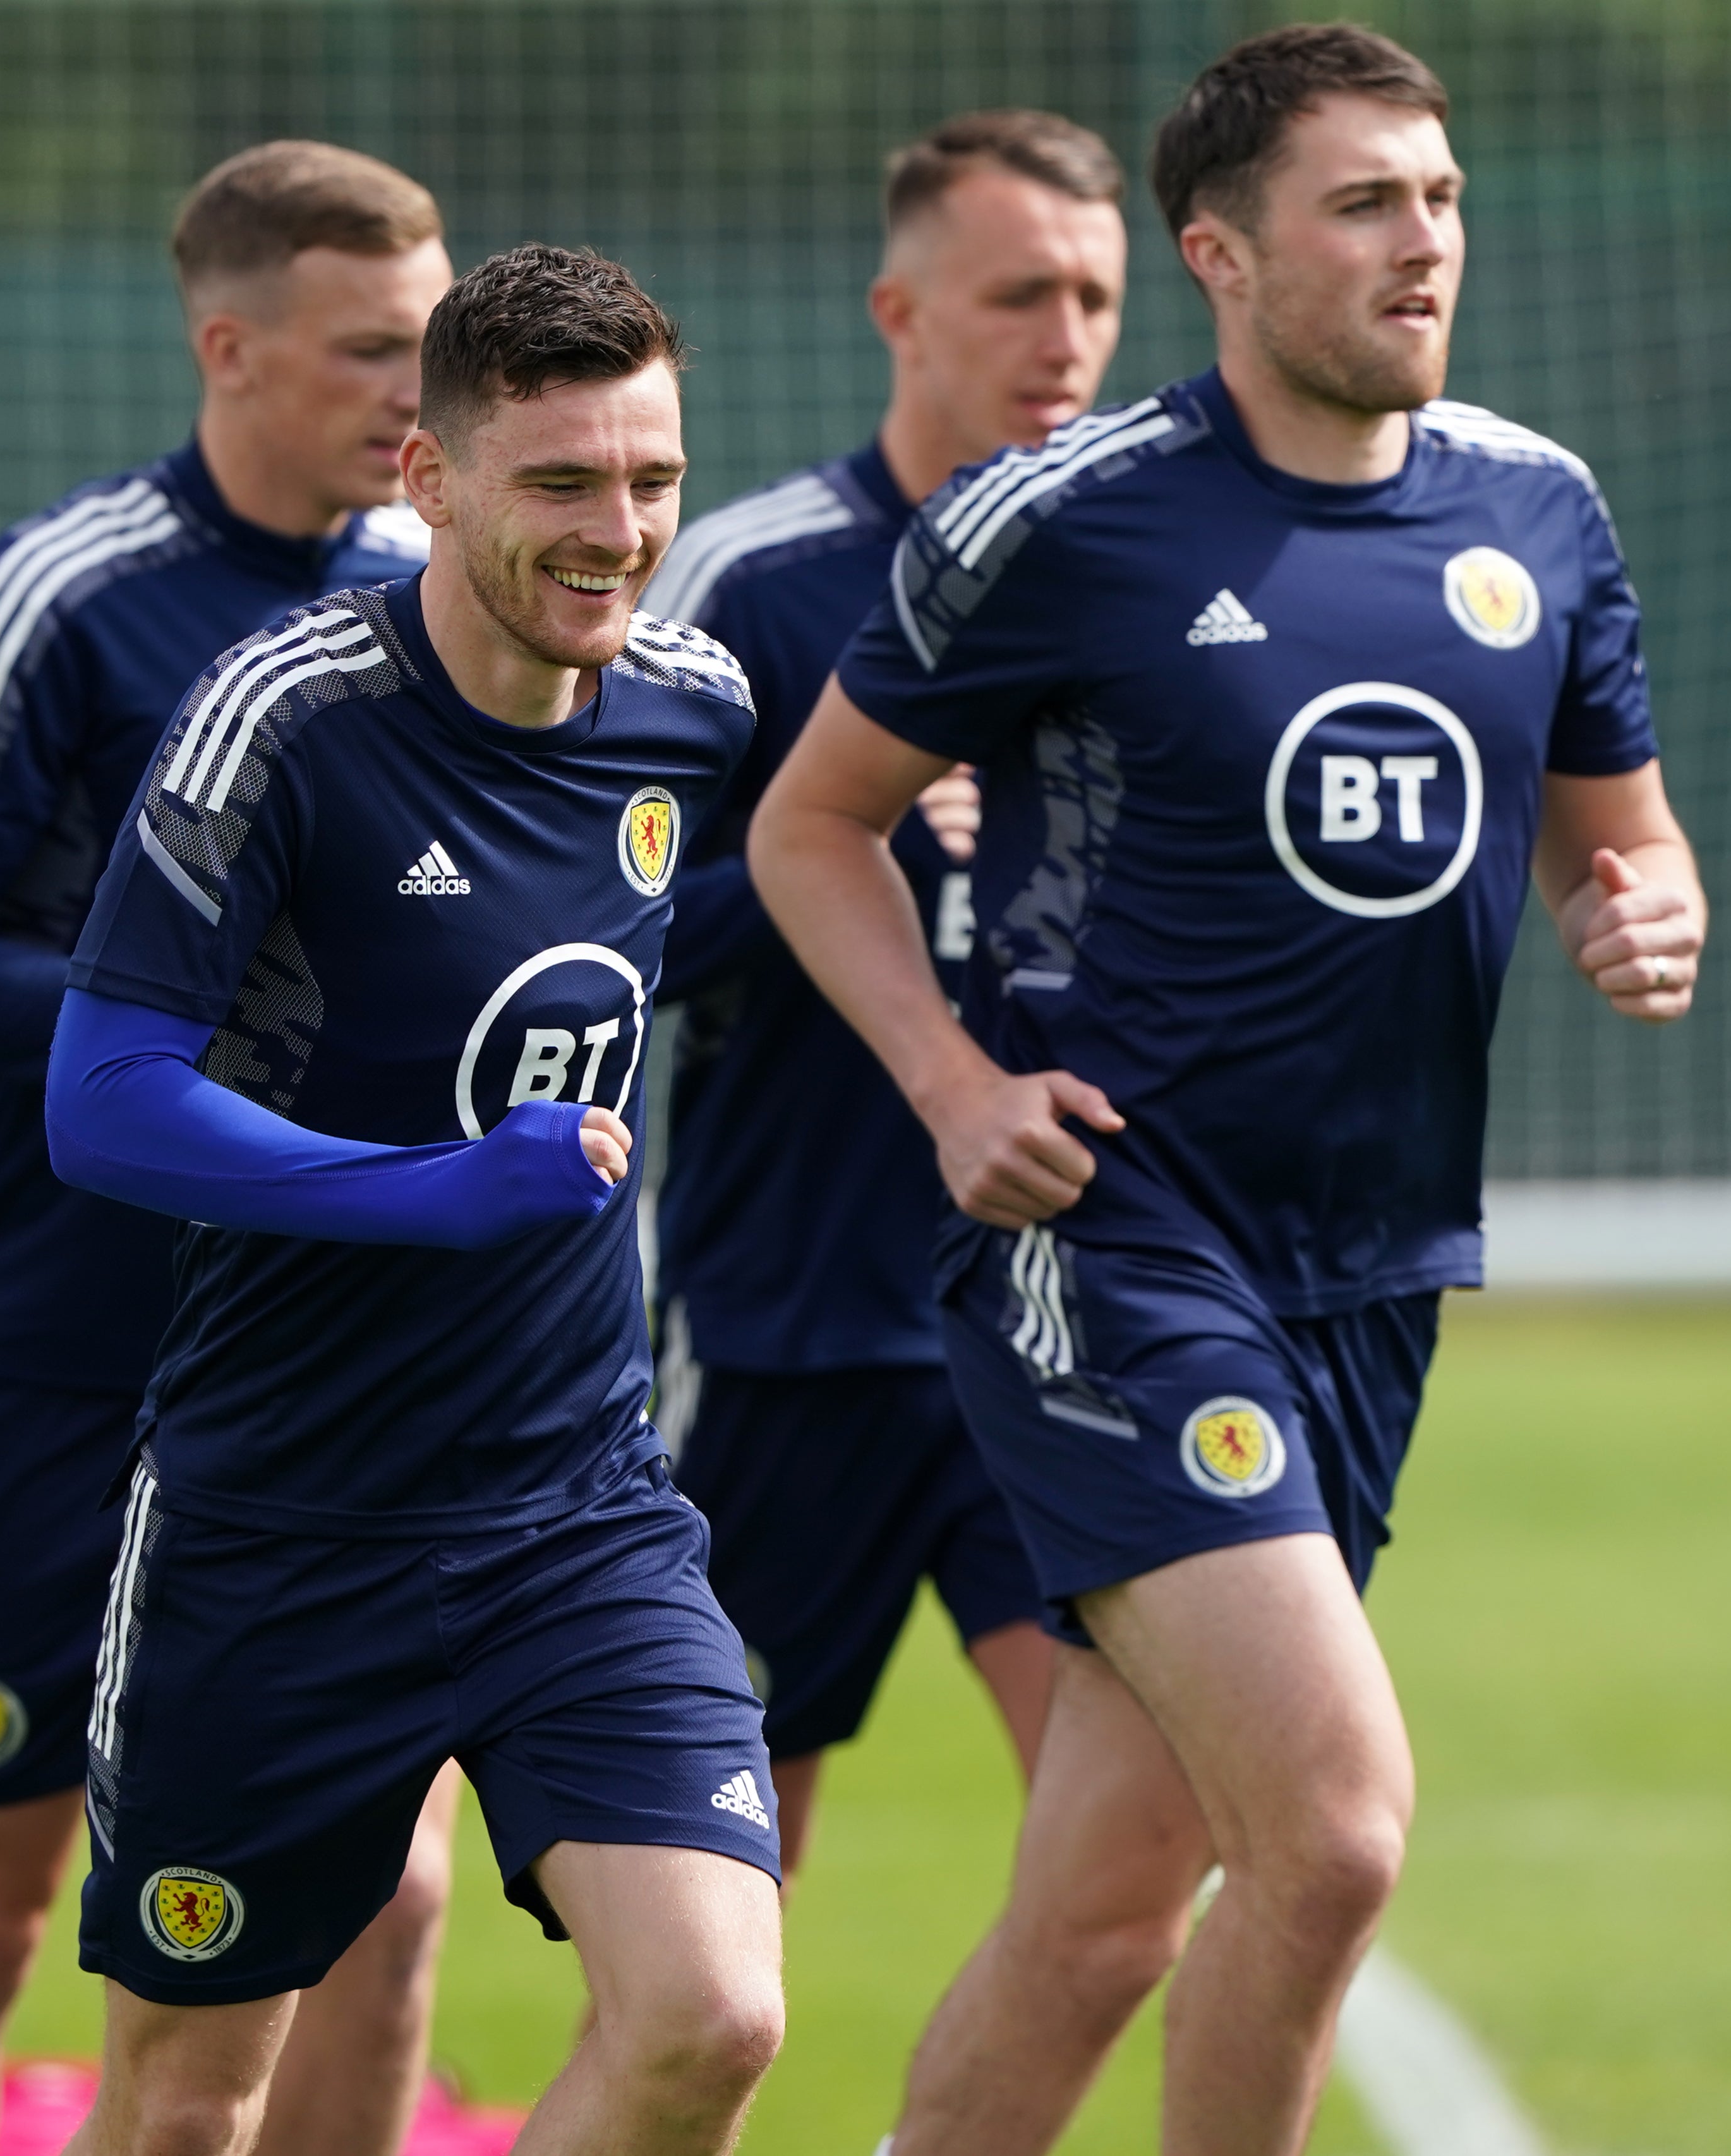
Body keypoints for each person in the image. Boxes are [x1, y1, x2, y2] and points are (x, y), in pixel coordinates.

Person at [751, 27, 1705, 2155]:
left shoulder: (1534, 507)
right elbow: (808, 826)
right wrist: (946, 1080)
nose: (1420, 239)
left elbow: (1621, 842)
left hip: (1373, 1269)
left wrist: (1643, 920)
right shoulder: (1061, 515)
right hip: (1117, 1242)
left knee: (1102, 1912)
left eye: (1438, 198)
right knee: (1338, 1831)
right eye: (1362, 202)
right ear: (1225, 252)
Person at [45, 242, 784, 2156]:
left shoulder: (693, 708)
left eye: (650, 479)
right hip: (274, 1526)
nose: (616, 530)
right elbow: (104, 1101)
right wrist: (432, 1191)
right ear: (426, 478)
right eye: (559, 483)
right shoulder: (280, 715)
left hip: (572, 1513)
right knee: (193, 2100)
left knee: (709, 2013)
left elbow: (744, 880)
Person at [0, 142, 462, 2156]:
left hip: (337, 1371)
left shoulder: (435, 605)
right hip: (58, 1359)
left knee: (385, 1901)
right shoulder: (63, 596)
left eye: (436, 350)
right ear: (226, 345)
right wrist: (176, 1021)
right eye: (371, 350)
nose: (414, 396)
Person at [637, 106, 1128, 1879]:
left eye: (1091, 294)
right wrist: (822, 856)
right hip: (788, 1330)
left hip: (1063, 1321)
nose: (1061, 339)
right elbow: (597, 948)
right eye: (1015, 294)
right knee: (728, 1902)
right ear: (897, 312)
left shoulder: (1151, 576)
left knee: (1135, 1870)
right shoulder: (748, 583)